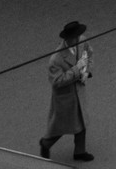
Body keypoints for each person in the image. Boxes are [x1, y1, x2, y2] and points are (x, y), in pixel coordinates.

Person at [39, 19, 94, 162]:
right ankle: (46, 143)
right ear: (67, 39)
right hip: (66, 97)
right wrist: (77, 69)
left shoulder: (82, 41)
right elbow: (57, 81)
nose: (77, 40)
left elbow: (89, 55)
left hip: (78, 92)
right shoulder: (56, 59)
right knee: (62, 126)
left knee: (81, 122)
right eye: (74, 38)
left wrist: (86, 71)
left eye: (78, 36)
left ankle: (80, 151)